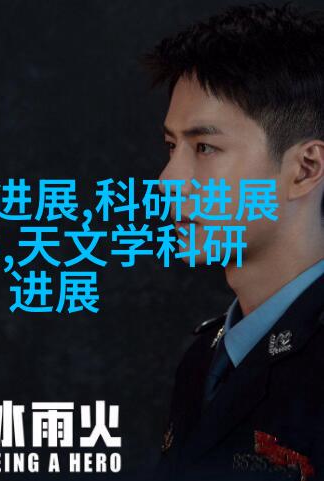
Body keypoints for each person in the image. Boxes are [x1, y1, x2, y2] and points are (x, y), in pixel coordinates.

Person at [144, 3, 324, 481]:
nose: (168, 180)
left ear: (304, 168)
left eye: (205, 147)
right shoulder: (205, 359)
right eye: (171, 146)